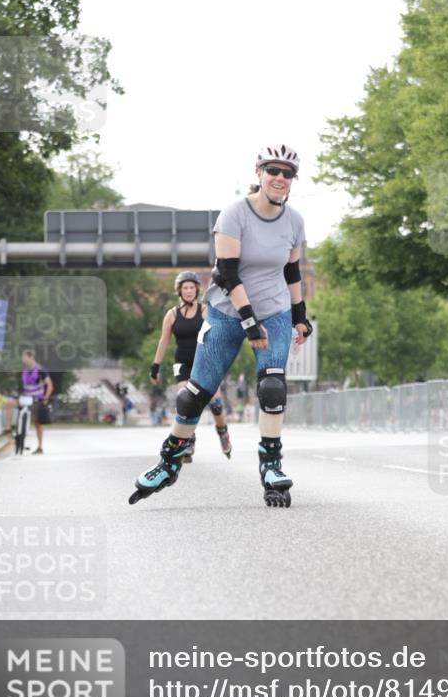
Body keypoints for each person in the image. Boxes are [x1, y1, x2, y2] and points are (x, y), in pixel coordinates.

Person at [130, 143, 313, 508]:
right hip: (228, 313)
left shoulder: (294, 220)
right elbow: (225, 273)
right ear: (259, 173)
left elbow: (292, 272)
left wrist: (299, 315)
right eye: (272, 171)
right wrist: (248, 322)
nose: (279, 178)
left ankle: (271, 467)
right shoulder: (234, 214)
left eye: (287, 173)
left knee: (272, 386)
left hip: (274, 311)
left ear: (293, 181)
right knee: (194, 394)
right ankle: (168, 461)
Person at [148, 271, 232, 458]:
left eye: (191, 287)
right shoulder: (171, 315)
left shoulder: (204, 310)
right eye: (185, 288)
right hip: (183, 363)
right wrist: (155, 366)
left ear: (196, 290)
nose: (188, 291)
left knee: (216, 404)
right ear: (179, 290)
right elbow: (163, 341)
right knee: (185, 402)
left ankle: (223, 432)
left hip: (205, 360)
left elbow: (217, 334)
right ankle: (188, 442)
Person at [20, 349, 53, 454]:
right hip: (26, 398)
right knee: (13, 409)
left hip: (37, 399)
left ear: (30, 357)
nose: (23, 360)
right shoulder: (24, 370)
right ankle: (13, 434)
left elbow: (50, 385)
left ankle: (40, 446)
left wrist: (46, 397)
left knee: (37, 423)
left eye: (24, 357)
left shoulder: (40, 369)